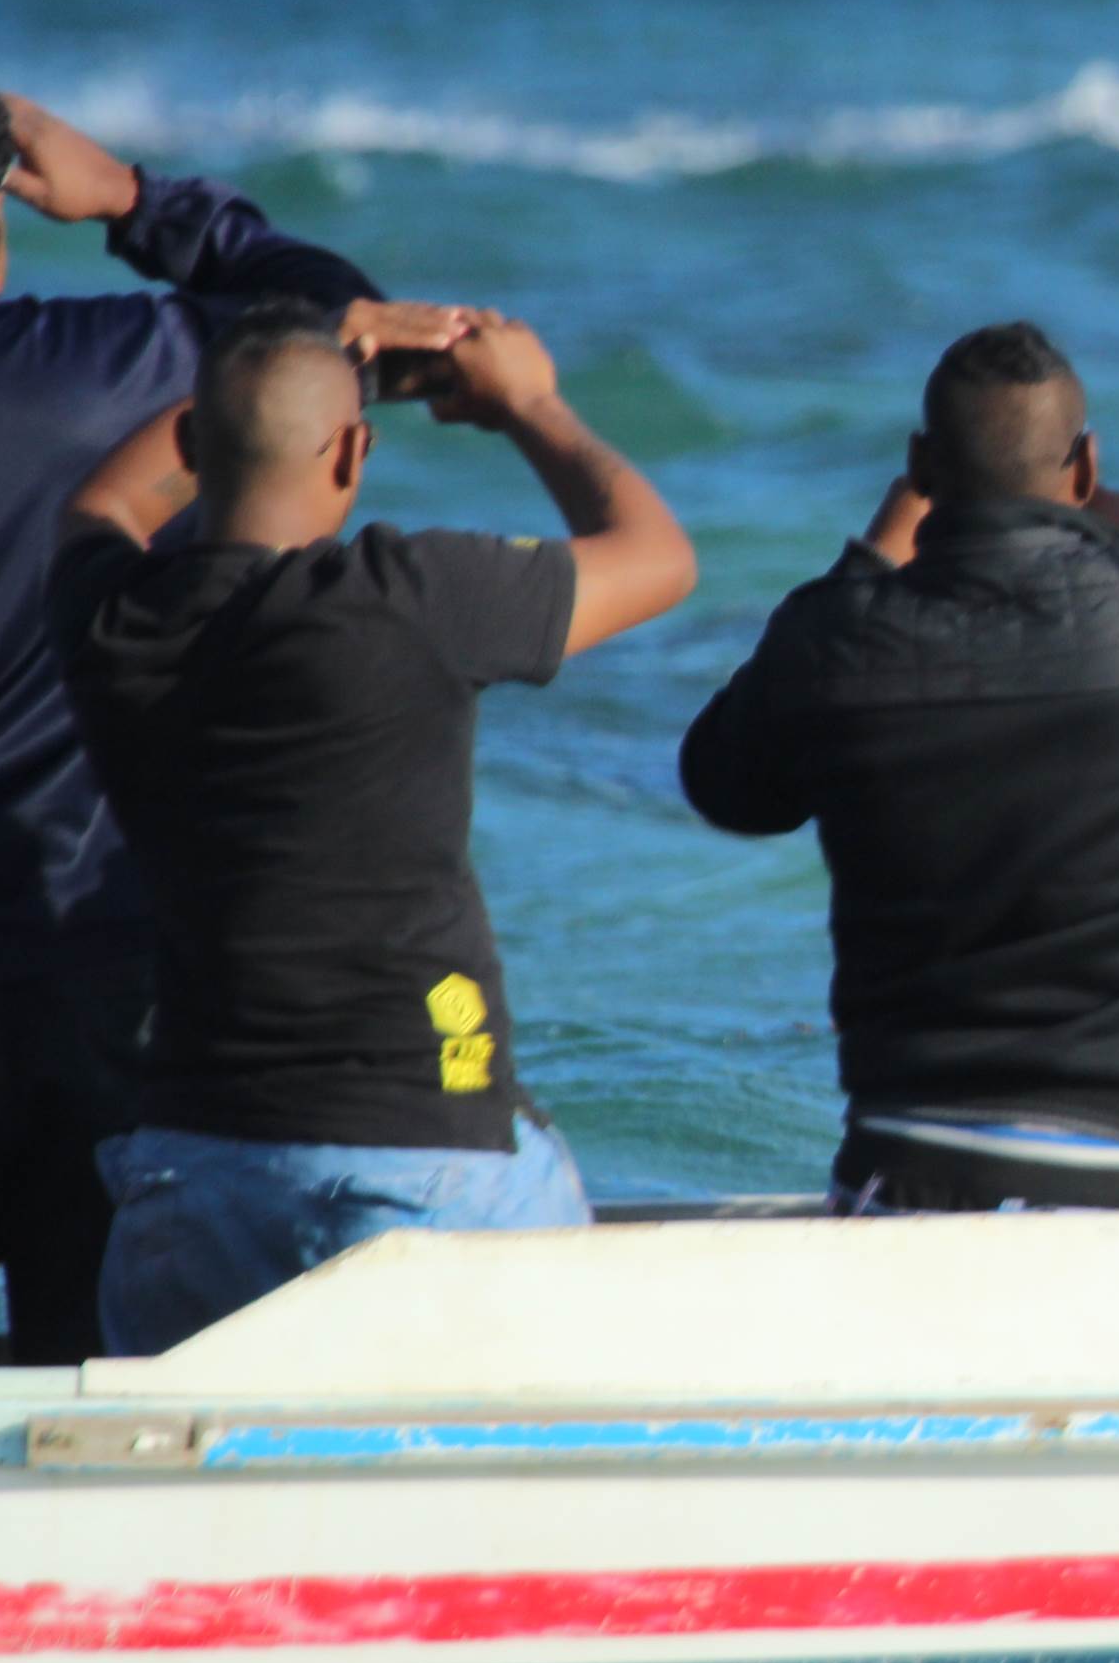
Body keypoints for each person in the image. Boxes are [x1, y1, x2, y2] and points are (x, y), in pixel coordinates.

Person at [49, 302, 697, 1353]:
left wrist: (300, 364)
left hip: (189, 1169)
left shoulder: (110, 613)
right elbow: (658, 556)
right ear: (352, 453)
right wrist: (528, 404)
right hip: (417, 1155)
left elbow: (105, 498)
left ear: (198, 443)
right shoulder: (408, 598)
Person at [0, 66, 401, 1364]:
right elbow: (325, 329)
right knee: (99, 1378)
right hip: (95, 963)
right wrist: (138, 201)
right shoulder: (115, 370)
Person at [681, 323, 1119, 1211]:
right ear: (1085, 468)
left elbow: (724, 786)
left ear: (919, 468)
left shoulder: (834, 637)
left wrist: (865, 564)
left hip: (912, 1155)